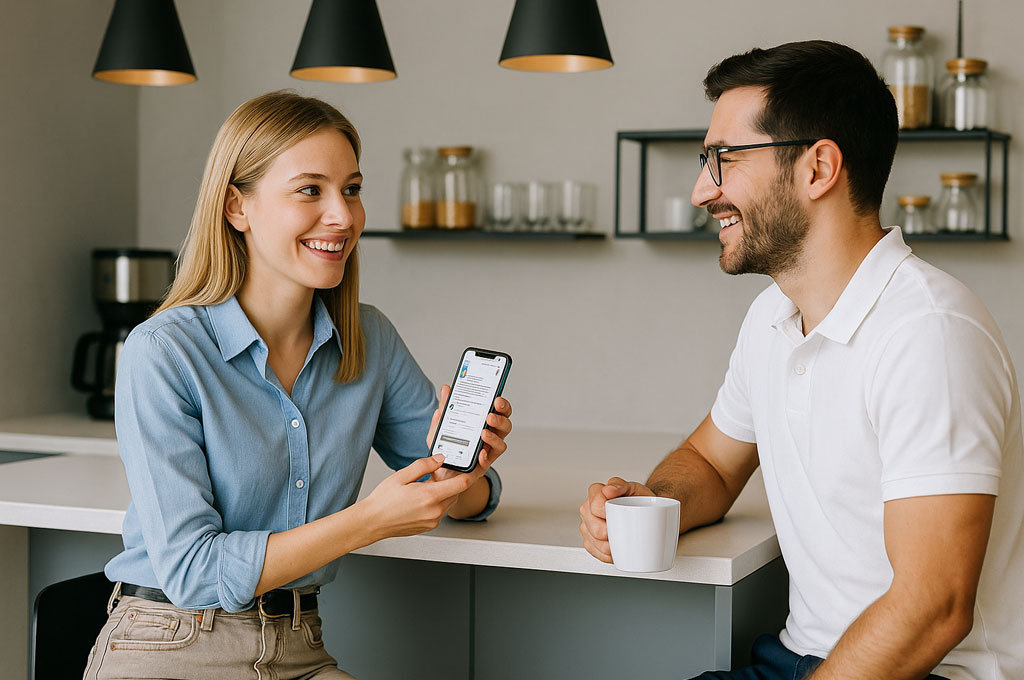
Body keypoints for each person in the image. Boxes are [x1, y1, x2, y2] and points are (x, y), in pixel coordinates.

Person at [580, 40, 1023, 680]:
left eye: (724, 159)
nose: (703, 190)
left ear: (818, 168)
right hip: (801, 660)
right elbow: (710, 460)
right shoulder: (772, 317)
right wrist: (650, 501)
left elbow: (934, 608)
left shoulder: (930, 334)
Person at [84, 91, 512, 680]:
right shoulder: (162, 351)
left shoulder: (369, 339)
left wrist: (464, 473)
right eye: (310, 190)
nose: (342, 215)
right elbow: (193, 570)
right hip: (171, 642)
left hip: (299, 648)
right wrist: (369, 520)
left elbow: (467, 497)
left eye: (352, 189)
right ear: (238, 206)